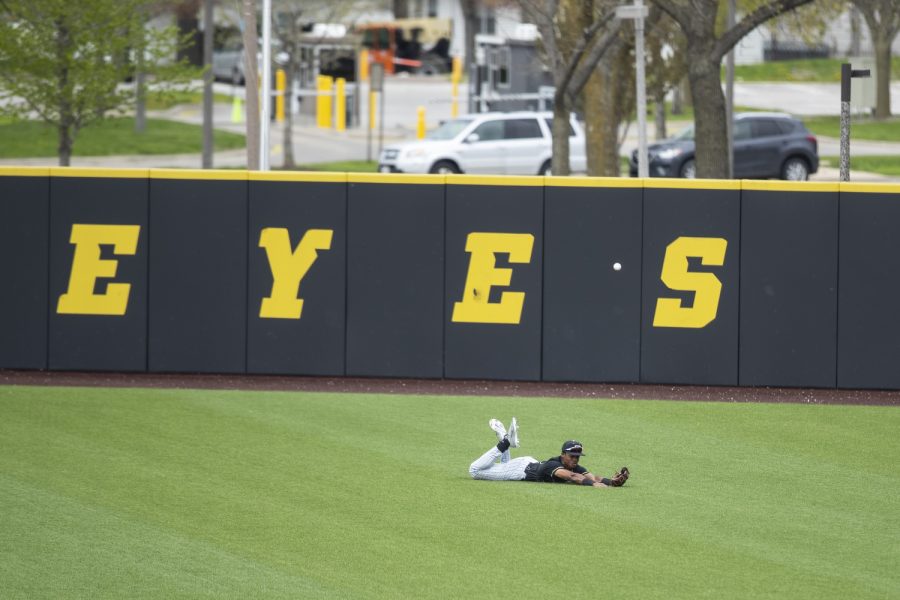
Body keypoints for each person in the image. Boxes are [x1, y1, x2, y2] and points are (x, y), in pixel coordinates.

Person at [468, 418, 629, 488]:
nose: (575, 460)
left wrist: (611, 482)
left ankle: (504, 436)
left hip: (527, 463)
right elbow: (573, 477)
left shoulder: (574, 466)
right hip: (519, 470)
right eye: (572, 456)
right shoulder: (555, 464)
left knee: (501, 466)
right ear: (563, 454)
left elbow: (593, 477)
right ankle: (505, 442)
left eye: (578, 457)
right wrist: (594, 485)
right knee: (475, 471)